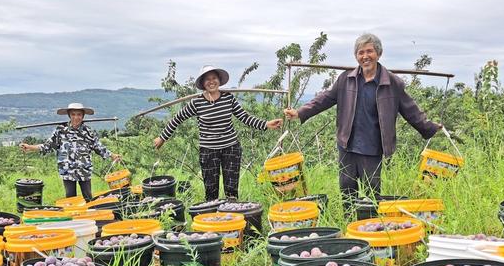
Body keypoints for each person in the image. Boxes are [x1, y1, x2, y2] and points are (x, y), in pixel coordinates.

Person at [284, 33, 445, 198]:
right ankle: (348, 222)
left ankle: (370, 223)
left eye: (369, 51)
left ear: (378, 53)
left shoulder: (392, 83)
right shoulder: (346, 79)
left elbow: (410, 110)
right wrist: (300, 112)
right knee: (347, 193)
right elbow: (324, 99)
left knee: (371, 194)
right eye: (361, 53)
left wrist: (429, 127)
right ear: (356, 56)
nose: (365, 56)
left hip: (373, 148)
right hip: (347, 146)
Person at [154, 65, 283, 201]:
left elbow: (245, 117)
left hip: (231, 149)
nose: (211, 81)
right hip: (208, 152)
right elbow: (178, 118)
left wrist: (266, 124)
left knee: (231, 191)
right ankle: (212, 219)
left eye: (214, 78)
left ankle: (232, 217)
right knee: (211, 192)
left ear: (219, 80)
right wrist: (163, 137)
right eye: (207, 79)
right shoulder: (196, 103)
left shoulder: (228, 98)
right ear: (203, 83)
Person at [20, 102, 121, 202]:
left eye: (79, 114)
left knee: (88, 198)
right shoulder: (60, 131)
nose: (76, 117)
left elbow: (99, 147)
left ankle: (90, 216)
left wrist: (112, 155)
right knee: (71, 199)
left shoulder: (88, 132)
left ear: (83, 116)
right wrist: (30, 147)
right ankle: (73, 217)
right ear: (69, 115)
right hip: (67, 170)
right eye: (73, 114)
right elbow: (47, 146)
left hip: (84, 170)